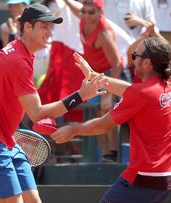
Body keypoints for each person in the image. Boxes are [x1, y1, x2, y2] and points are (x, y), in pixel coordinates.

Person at [0, 4, 107, 203]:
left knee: (33, 200)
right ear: (28, 27)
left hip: (6, 139)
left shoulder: (14, 49)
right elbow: (37, 113)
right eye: (44, 27)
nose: (49, 32)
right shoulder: (17, 61)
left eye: (51, 27)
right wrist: (80, 95)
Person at [51, 37, 171, 203]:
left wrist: (73, 129)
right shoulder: (169, 84)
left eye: (135, 55)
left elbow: (103, 125)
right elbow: (130, 90)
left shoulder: (141, 93)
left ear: (147, 63)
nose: (132, 59)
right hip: (170, 175)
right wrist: (94, 76)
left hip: (146, 176)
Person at [63, 0, 124, 162]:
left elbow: (117, 64)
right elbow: (73, 6)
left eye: (91, 13)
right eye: (84, 11)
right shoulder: (84, 17)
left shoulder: (104, 34)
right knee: (95, 114)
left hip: (110, 74)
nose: (87, 15)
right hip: (95, 75)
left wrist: (109, 94)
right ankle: (105, 155)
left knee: (107, 112)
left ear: (100, 12)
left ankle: (114, 154)